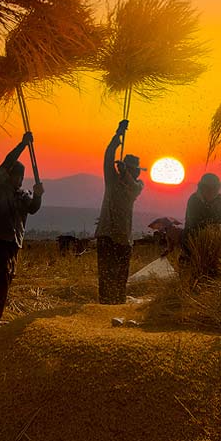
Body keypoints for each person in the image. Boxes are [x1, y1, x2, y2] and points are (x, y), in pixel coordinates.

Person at [0, 132, 43, 333]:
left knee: (1, 281)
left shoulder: (22, 195)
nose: (19, 180)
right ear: (9, 175)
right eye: (16, 176)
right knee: (0, 281)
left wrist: (39, 196)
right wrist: (22, 145)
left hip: (12, 243)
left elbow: (32, 208)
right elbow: (7, 162)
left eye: (21, 177)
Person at [95, 119, 144, 304]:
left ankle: (118, 306)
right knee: (106, 276)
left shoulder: (137, 185)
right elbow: (108, 156)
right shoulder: (112, 180)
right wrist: (117, 136)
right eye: (135, 170)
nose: (137, 174)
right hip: (108, 235)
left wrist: (125, 173)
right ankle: (106, 307)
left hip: (124, 238)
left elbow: (134, 187)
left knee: (120, 278)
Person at [180, 173, 221, 279]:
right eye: (208, 188)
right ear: (202, 188)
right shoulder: (194, 200)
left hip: (213, 245)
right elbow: (193, 224)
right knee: (190, 278)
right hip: (192, 244)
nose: (211, 191)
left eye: (214, 188)